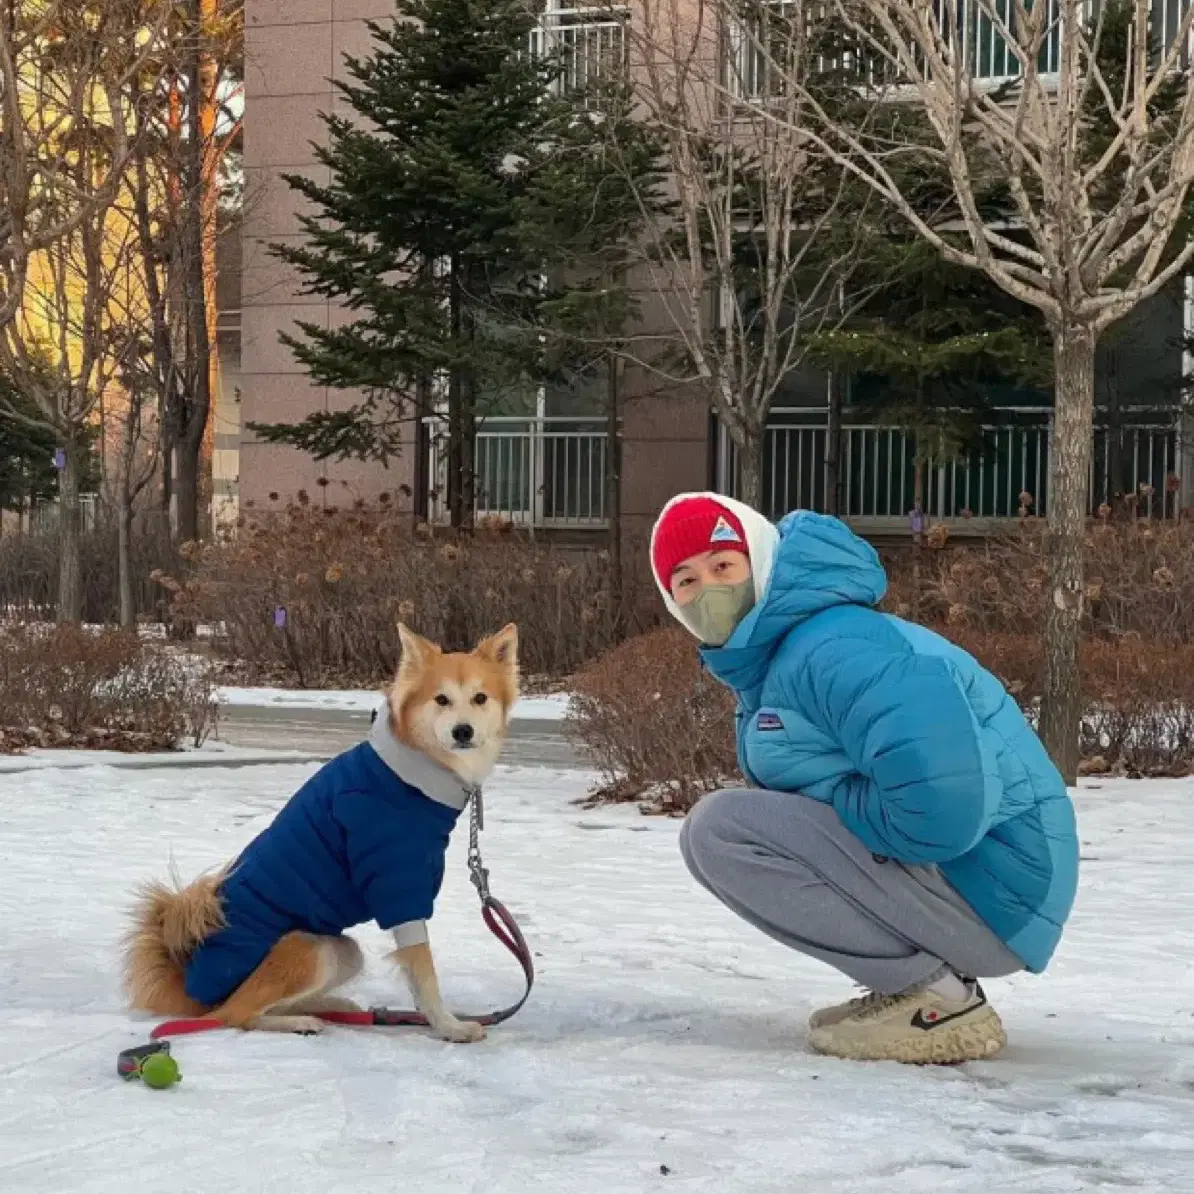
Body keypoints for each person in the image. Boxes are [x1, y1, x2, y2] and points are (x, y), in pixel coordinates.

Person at [651, 493, 1077, 1064]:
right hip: (989, 891)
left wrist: (842, 803)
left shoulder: (833, 645)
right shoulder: (778, 658)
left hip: (994, 889)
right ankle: (916, 987)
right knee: (720, 835)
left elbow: (946, 805)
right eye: (687, 581)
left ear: (762, 560)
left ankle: (938, 997)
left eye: (724, 566)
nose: (709, 590)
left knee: (719, 831)